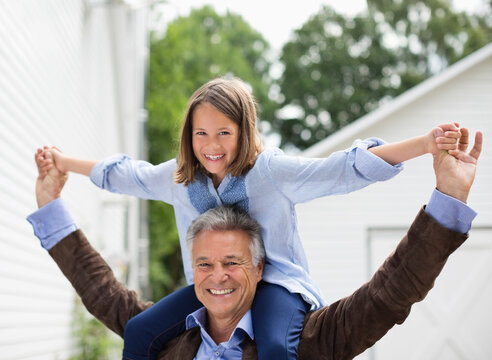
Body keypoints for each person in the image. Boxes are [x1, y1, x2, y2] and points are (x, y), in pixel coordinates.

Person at [36, 77, 461, 360]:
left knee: (275, 348)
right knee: (141, 331)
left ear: (244, 130)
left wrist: (423, 145)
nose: (211, 145)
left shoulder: (270, 173)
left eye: (224, 132)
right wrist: (64, 163)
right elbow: (123, 174)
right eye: (200, 134)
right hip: (213, 288)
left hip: (277, 286)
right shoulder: (177, 179)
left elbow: (342, 169)